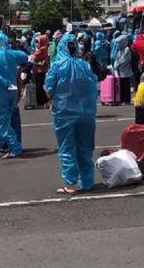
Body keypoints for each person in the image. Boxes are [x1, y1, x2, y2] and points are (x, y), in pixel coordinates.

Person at [45, 33, 97, 195]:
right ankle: (87, 181)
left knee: (67, 147)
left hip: (65, 111)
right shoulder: (85, 65)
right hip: (86, 112)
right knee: (85, 147)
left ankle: (71, 183)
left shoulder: (57, 66)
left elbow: (49, 90)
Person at [0, 32, 29, 158]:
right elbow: (25, 56)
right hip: (12, 91)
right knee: (0, 121)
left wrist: (5, 83)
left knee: (1, 122)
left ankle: (15, 145)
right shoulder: (11, 54)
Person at [112, 34, 134, 105]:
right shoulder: (119, 50)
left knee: (126, 85)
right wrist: (115, 64)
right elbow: (117, 58)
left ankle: (126, 100)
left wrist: (118, 64)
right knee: (121, 85)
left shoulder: (126, 49)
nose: (118, 44)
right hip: (120, 70)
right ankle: (121, 99)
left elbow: (125, 60)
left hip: (125, 70)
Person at [33, 34, 50, 108]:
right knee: (37, 85)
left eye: (37, 41)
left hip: (41, 69)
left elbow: (35, 56)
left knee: (39, 86)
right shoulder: (40, 48)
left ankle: (45, 99)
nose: (36, 43)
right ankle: (40, 101)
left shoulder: (42, 49)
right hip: (38, 69)